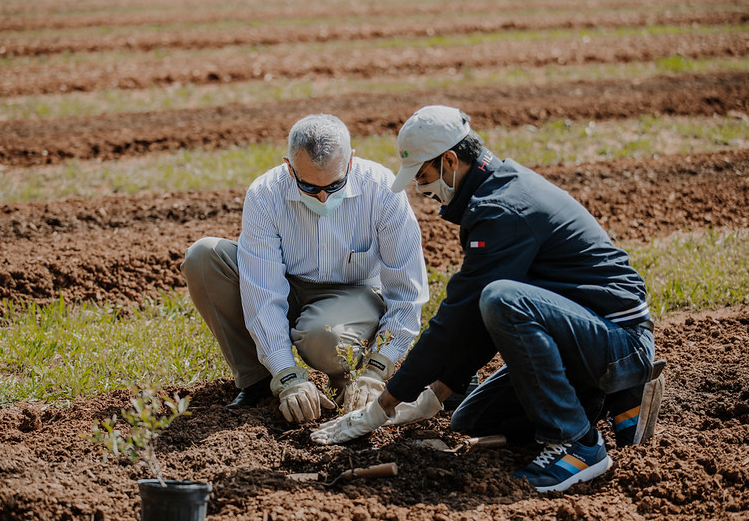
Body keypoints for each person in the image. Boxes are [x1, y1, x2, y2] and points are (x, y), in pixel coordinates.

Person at [311, 105, 665, 493]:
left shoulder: (501, 209)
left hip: (619, 339)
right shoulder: (495, 191)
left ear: (450, 160)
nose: (423, 190)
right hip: (583, 333)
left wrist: (386, 403)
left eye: (425, 176)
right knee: (471, 419)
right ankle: (612, 393)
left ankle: (577, 444)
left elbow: (460, 317)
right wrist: (436, 394)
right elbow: (479, 321)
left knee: (501, 299)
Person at [181, 114, 428, 424]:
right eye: (309, 186)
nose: (323, 196)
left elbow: (406, 291)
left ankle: (346, 380)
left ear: (350, 162)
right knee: (204, 256)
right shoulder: (266, 194)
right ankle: (259, 383)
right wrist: (286, 374)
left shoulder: (381, 189)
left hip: (354, 293)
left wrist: (379, 367)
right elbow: (263, 292)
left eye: (334, 185)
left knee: (323, 338)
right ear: (289, 166)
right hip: (288, 283)